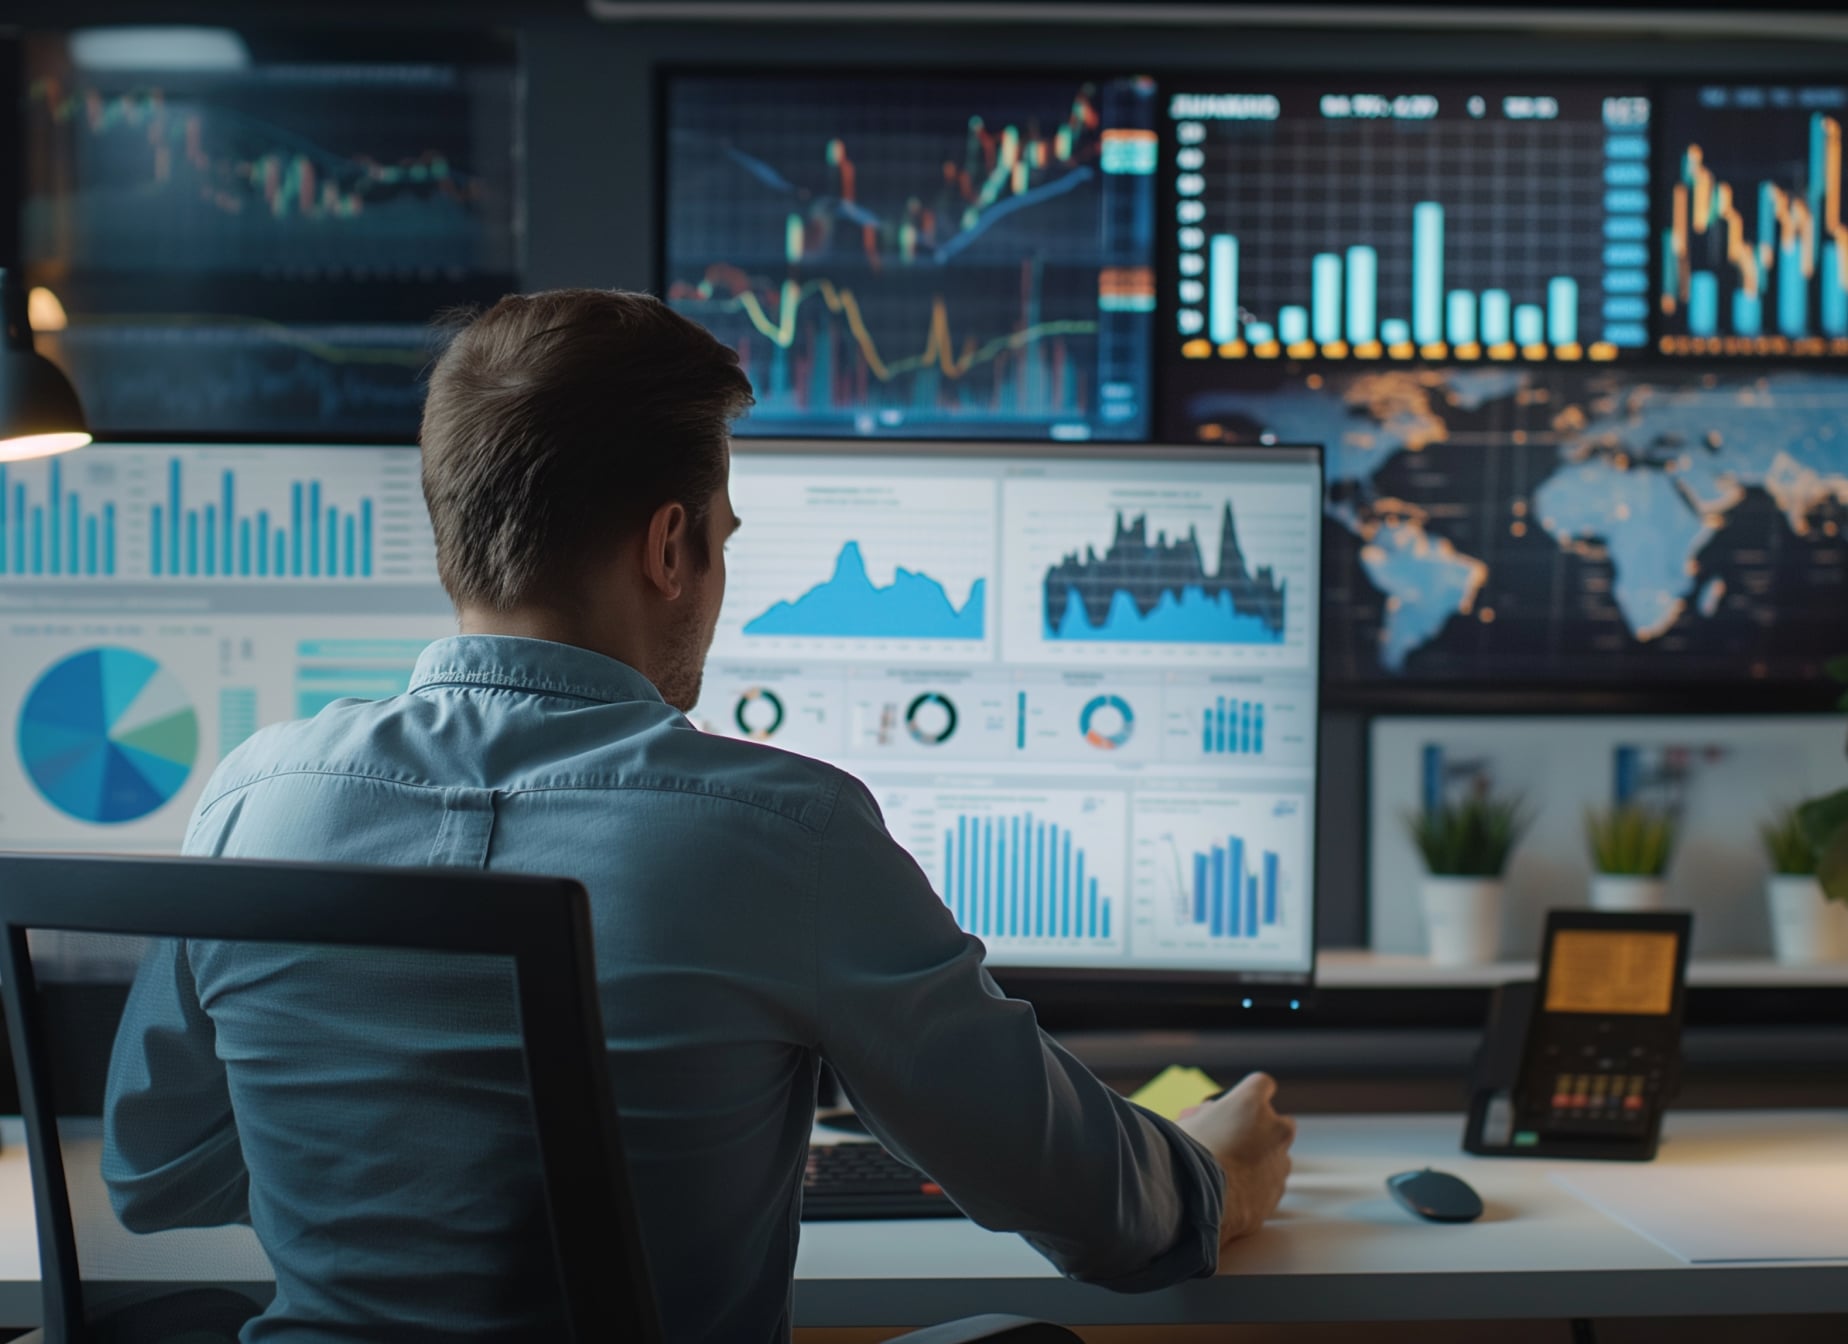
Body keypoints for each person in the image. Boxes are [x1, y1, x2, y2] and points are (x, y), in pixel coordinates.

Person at [102, 289, 1295, 1341]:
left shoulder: (259, 799)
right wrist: (1214, 1179)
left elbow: (154, 1174)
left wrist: (398, 1168)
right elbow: (1096, 1216)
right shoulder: (788, 833)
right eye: (721, 540)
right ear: (670, 547)